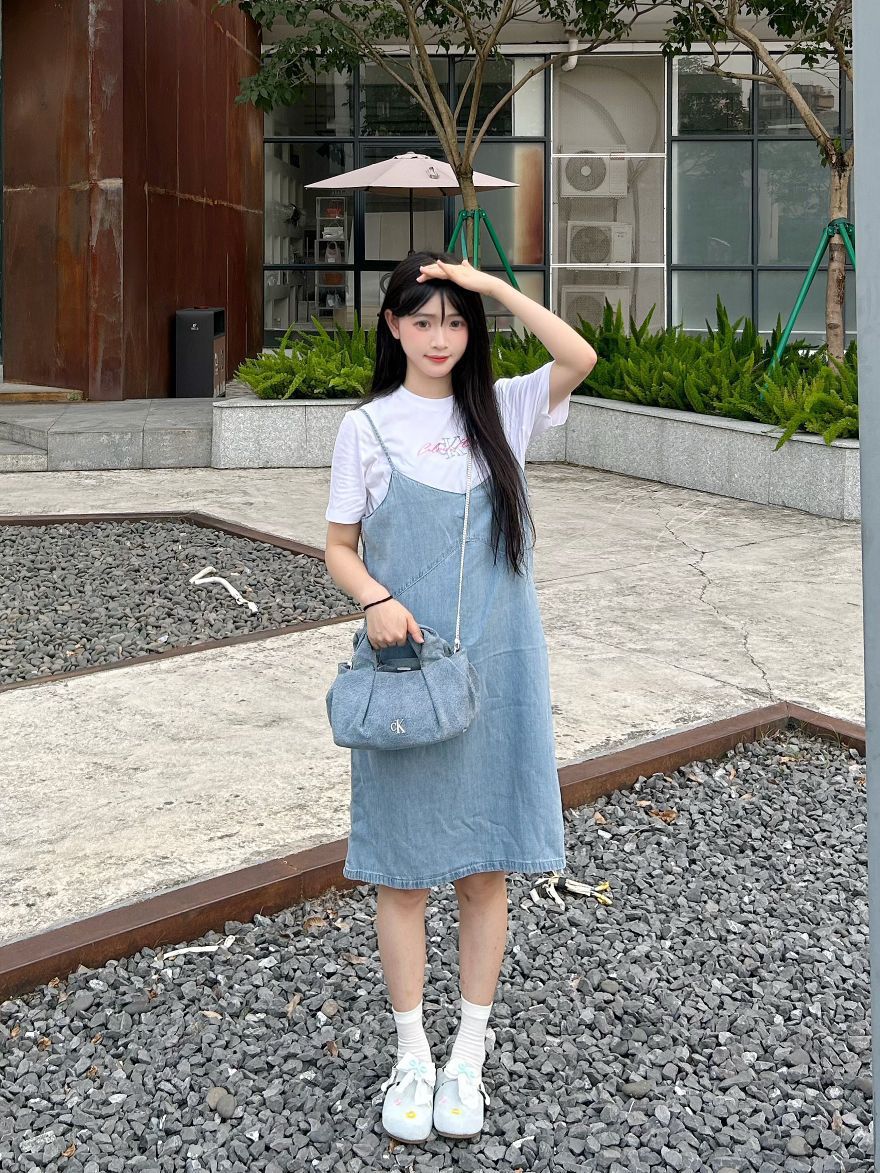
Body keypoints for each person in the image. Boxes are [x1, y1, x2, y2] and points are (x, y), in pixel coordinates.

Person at [323, 250, 597, 1145]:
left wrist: (493, 288)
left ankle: (467, 1054)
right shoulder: (367, 428)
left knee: (485, 870)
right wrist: (375, 598)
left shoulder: (504, 410)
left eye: (454, 321)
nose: (439, 337)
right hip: (407, 678)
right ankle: (412, 1054)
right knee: (402, 874)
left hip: (499, 670)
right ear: (393, 327)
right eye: (423, 320)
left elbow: (580, 355)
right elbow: (338, 546)